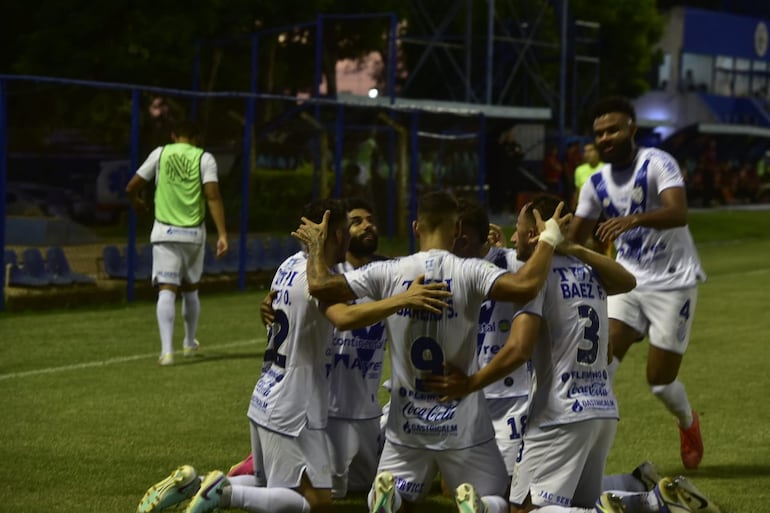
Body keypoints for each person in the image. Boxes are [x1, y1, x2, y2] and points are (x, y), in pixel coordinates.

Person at [136, 198, 451, 513]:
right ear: (334, 233)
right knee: (319, 500)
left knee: (277, 483)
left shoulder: (288, 266)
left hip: (269, 394)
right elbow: (341, 316)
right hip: (299, 403)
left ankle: (197, 483)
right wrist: (402, 299)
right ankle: (223, 494)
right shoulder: (321, 280)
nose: (361, 228)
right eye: (349, 225)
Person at [292, 190, 571, 513]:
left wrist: (314, 247)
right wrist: (549, 238)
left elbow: (320, 286)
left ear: (415, 228)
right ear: (456, 231)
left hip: (406, 426)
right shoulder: (471, 271)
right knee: (499, 499)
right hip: (462, 423)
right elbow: (525, 285)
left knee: (401, 501)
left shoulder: (390, 271)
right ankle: (479, 505)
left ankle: (391, 498)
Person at [426, 195, 637, 512]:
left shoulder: (535, 277)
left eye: (518, 230)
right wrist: (574, 248)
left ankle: (642, 504)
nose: (512, 237)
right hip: (602, 408)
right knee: (570, 502)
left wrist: (470, 383)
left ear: (536, 233)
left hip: (561, 411)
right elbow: (626, 288)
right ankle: (644, 495)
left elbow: (519, 348)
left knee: (527, 509)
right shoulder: (591, 274)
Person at [568, 96, 707, 470]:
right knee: (600, 369)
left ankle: (688, 423)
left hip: (673, 283)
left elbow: (678, 213)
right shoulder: (595, 183)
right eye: (599, 133)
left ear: (632, 128)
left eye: (613, 129)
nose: (606, 137)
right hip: (627, 282)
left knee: (659, 383)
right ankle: (585, 458)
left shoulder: (658, 162)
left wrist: (632, 220)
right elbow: (575, 238)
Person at [125, 119, 228, 366]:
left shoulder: (160, 154)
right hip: (193, 234)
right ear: (197, 138)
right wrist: (223, 234)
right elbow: (212, 195)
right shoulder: (205, 159)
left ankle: (167, 351)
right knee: (191, 288)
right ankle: (189, 343)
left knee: (167, 289)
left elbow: (132, 186)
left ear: (173, 135)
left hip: (165, 232)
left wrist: (136, 201)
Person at [452, 199, 531, 479]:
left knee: (511, 486)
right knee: (456, 485)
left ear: (465, 237)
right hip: (465, 392)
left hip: (512, 396)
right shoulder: (445, 267)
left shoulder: (511, 263)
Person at [572, 143, 603, 210]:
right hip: (585, 209)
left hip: (602, 209)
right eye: (585, 151)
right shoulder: (579, 170)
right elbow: (578, 191)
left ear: (597, 152)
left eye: (590, 150)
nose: (587, 154)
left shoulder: (606, 168)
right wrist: (574, 208)